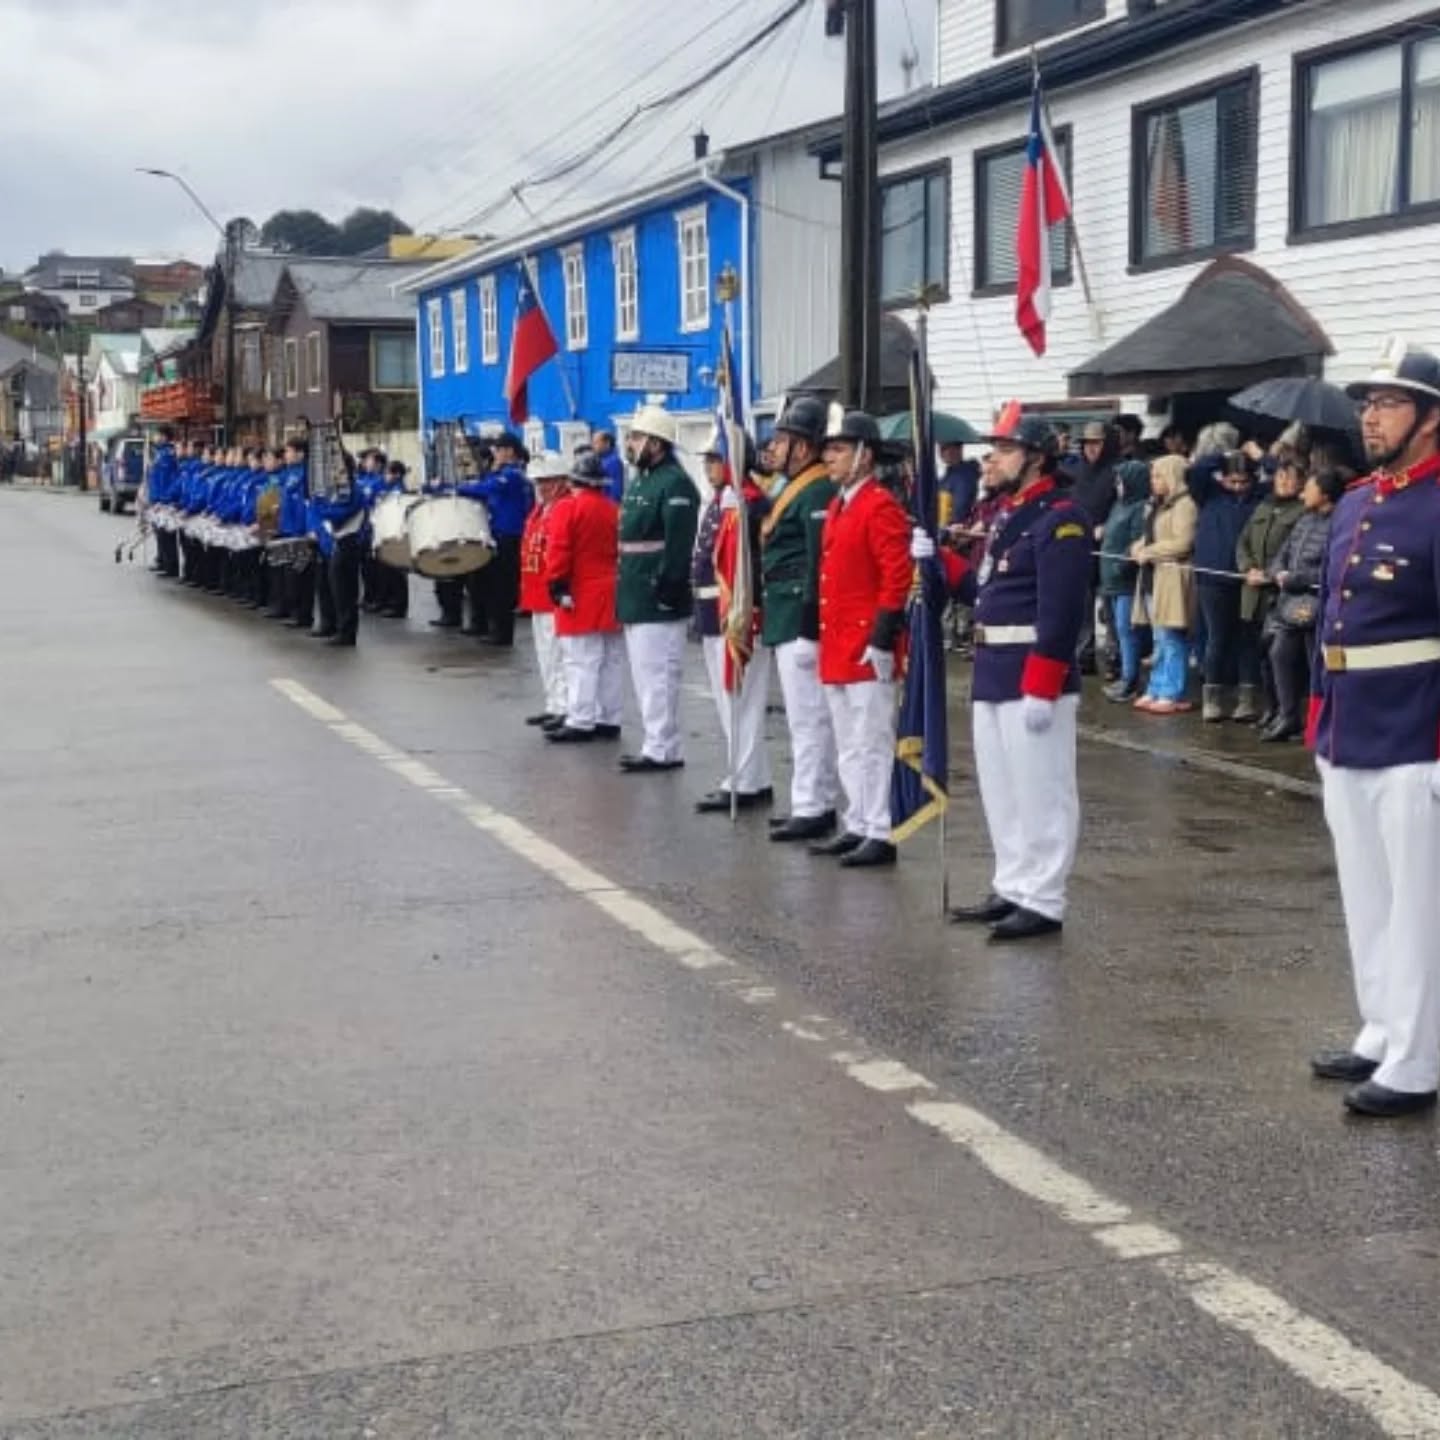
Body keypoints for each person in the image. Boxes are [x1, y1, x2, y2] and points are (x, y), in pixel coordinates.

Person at [1307, 342, 1440, 1119]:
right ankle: (1384, 1027)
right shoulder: (1359, 500)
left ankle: (1418, 1058)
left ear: (1429, 420)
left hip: (1418, 726)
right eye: (1367, 403)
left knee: (1419, 902)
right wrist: (1321, 708)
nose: (1371, 416)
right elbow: (1334, 613)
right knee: (1368, 892)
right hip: (1350, 722)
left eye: (1389, 403)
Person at [930, 405, 1090, 939]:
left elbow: (1061, 608)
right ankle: (1014, 883)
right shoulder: (1004, 515)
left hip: (1030, 673)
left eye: (1003, 448)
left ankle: (1044, 898)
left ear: (1036, 458)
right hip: (993, 667)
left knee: (1041, 790)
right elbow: (984, 592)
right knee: (1003, 790)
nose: (992, 458)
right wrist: (938, 561)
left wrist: (1044, 682)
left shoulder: (1060, 516)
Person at [810, 411, 913, 869]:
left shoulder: (880, 504)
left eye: (838, 449)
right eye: (828, 449)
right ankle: (858, 821)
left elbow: (896, 575)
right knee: (849, 741)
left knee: (872, 739)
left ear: (864, 456)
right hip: (838, 642)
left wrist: (883, 634)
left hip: (867, 643)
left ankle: (881, 827)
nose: (828, 457)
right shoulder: (840, 504)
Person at [761, 397, 841, 841]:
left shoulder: (816, 491)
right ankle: (812, 800)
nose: (776, 449)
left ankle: (814, 805)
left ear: (805, 448)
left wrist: (810, 623)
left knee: (809, 716)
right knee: (802, 715)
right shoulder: (790, 487)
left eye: (785, 440)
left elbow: (816, 562)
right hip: (782, 607)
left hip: (799, 611)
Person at [691, 428, 774, 814]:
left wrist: (748, 611)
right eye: (706, 460)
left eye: (715, 459)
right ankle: (748, 775)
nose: (708, 467)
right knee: (728, 701)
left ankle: (745, 779)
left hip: (739, 612)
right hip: (712, 610)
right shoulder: (719, 501)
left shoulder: (750, 503)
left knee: (743, 698)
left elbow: (751, 564)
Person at [615, 404, 700, 772]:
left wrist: (669, 582)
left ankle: (664, 747)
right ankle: (655, 742)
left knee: (659, 676)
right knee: (644, 675)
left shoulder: (675, 483)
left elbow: (679, 542)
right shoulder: (643, 481)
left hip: (658, 592)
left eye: (636, 437)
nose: (631, 444)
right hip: (635, 590)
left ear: (657, 444)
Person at [546, 453, 625, 743]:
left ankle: (581, 718)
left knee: (580, 660)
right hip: (612, 591)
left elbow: (560, 549)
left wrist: (556, 583)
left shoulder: (567, 508)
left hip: (581, 592)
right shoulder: (613, 509)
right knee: (611, 659)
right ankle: (609, 717)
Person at [1264, 465, 1344, 741]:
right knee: (1279, 654)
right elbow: (1281, 554)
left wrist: (1296, 578)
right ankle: (1288, 716)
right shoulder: (1303, 520)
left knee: (1316, 664)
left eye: (1308, 488)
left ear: (1324, 493)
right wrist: (1277, 572)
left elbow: (1335, 566)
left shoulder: (1340, 524)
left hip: (1317, 603)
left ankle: (1321, 721)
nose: (1302, 494)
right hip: (1290, 602)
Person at [1189, 446, 1262, 722]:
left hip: (1248, 580)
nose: (1238, 487)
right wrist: (1222, 454)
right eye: (1232, 481)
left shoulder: (1260, 497)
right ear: (1223, 479)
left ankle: (1247, 700)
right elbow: (1195, 472)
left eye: (1244, 482)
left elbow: (1281, 472)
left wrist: (1258, 457)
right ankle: (1213, 699)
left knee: (1247, 640)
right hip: (1212, 578)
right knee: (1216, 639)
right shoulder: (1209, 494)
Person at [1237, 444, 1306, 730]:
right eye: (1280, 477)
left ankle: (1287, 712)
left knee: (1283, 656)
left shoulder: (1302, 512)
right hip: (1253, 591)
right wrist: (1247, 568)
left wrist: (1269, 573)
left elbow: (1294, 552)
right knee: (1260, 655)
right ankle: (1271, 708)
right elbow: (1244, 541)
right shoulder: (1264, 505)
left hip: (1280, 593)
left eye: (1291, 478)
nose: (1284, 482)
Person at [1131, 454, 1197, 715]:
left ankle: (1172, 691)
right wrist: (1138, 547)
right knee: (1159, 639)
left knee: (1172, 638)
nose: (1153, 481)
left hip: (1172, 579)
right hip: (1152, 578)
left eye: (1158, 475)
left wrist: (1150, 551)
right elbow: (1149, 536)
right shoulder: (1159, 505)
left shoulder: (1185, 505)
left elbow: (1183, 543)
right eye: (1152, 475)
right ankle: (1156, 687)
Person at [458, 431, 532, 647]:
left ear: (509, 451)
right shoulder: (506, 473)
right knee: (488, 583)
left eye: (498, 450)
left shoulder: (512, 475)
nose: (495, 454)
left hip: (508, 535)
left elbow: (485, 489)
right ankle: (489, 626)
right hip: (499, 533)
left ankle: (502, 633)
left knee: (502, 587)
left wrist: (458, 488)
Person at [519, 452, 571, 730]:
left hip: (552, 592)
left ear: (563, 481)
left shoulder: (563, 508)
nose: (542, 487)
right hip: (536, 591)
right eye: (539, 482)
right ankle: (553, 702)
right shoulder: (540, 510)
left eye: (548, 481)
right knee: (544, 652)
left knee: (558, 652)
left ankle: (564, 705)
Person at [1066, 420, 1118, 676]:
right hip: (1080, 547)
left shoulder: (1117, 471)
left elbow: (1128, 505)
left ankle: (1114, 660)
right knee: (1082, 605)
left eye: (1096, 443)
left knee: (1110, 608)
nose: (1091, 448)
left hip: (1109, 549)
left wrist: (1108, 526)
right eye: (1087, 443)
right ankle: (1083, 657)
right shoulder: (1077, 473)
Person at [1099, 459, 1152, 702]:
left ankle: (1130, 679)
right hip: (1109, 578)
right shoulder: (1118, 505)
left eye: (1121, 481)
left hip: (1126, 581)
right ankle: (1125, 675)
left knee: (1126, 630)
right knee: (1118, 630)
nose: (1118, 486)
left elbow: (1136, 542)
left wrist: (1123, 564)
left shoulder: (1140, 509)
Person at [146, 426, 181, 578]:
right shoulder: (158, 453)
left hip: (164, 499)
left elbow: (169, 480)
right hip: (156, 498)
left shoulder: (168, 454)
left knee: (167, 534)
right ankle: (162, 560)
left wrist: (165, 499)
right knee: (159, 532)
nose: (155, 437)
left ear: (164, 437)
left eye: (157, 435)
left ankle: (171, 565)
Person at [593, 428, 626, 502]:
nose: (593, 446)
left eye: (596, 442)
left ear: (607, 443)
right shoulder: (600, 460)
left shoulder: (613, 461)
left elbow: (615, 488)